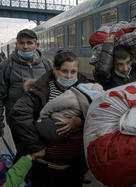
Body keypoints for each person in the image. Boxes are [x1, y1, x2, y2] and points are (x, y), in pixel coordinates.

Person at [7, 50, 90, 187]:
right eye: (64, 71)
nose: (69, 76)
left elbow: (95, 112)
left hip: (74, 166)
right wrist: (36, 146)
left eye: (73, 72)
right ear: (54, 70)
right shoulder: (41, 90)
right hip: (45, 167)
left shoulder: (86, 89)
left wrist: (79, 120)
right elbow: (18, 113)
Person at [0, 29, 52, 138]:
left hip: (43, 119)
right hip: (17, 120)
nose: (25, 46)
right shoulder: (6, 66)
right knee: (25, 152)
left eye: (29, 43)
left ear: (37, 45)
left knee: (43, 152)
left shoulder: (47, 64)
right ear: (16, 45)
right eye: (21, 43)